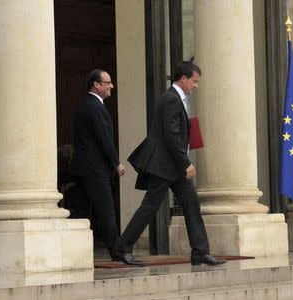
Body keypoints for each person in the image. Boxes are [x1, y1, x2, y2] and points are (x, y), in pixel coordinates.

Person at [113, 61, 226, 266]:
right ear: (183, 79)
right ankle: (122, 248)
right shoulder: (171, 99)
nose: (196, 85)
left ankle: (200, 251)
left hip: (172, 165)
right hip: (165, 165)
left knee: (191, 203)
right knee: (150, 206)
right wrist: (186, 162)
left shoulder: (176, 98)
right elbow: (171, 135)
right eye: (194, 81)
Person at [70, 69, 124, 259]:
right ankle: (117, 252)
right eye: (107, 82)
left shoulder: (88, 104)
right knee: (106, 210)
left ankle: (76, 253)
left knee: (83, 212)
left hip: (85, 168)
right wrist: (116, 163)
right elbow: (104, 138)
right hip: (95, 169)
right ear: (96, 84)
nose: (111, 86)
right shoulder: (94, 106)